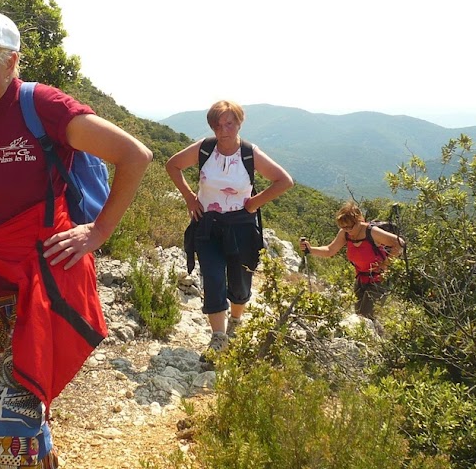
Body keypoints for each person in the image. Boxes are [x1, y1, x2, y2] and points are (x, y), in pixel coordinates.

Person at [0, 8, 152, 469]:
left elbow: (135, 155)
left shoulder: (44, 107)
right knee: (10, 401)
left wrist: (100, 230)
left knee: (13, 412)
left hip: (39, 276)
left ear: (11, 61)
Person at [165, 100, 293, 360]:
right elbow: (172, 165)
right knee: (212, 277)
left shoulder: (249, 153)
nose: (223, 129)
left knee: (240, 280)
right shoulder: (204, 149)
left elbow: (284, 181)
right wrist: (190, 197)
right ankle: (218, 337)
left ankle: (235, 320)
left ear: (239, 122)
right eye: (217, 124)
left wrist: (254, 203)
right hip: (208, 225)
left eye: (229, 123)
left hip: (241, 227)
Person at [299, 201, 403, 333]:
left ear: (359, 221)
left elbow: (399, 243)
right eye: (343, 227)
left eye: (349, 227)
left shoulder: (372, 232)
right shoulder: (345, 233)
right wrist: (310, 249)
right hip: (361, 279)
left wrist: (385, 264)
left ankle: (377, 343)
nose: (347, 230)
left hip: (379, 281)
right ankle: (379, 337)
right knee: (360, 316)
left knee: (364, 318)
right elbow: (330, 250)